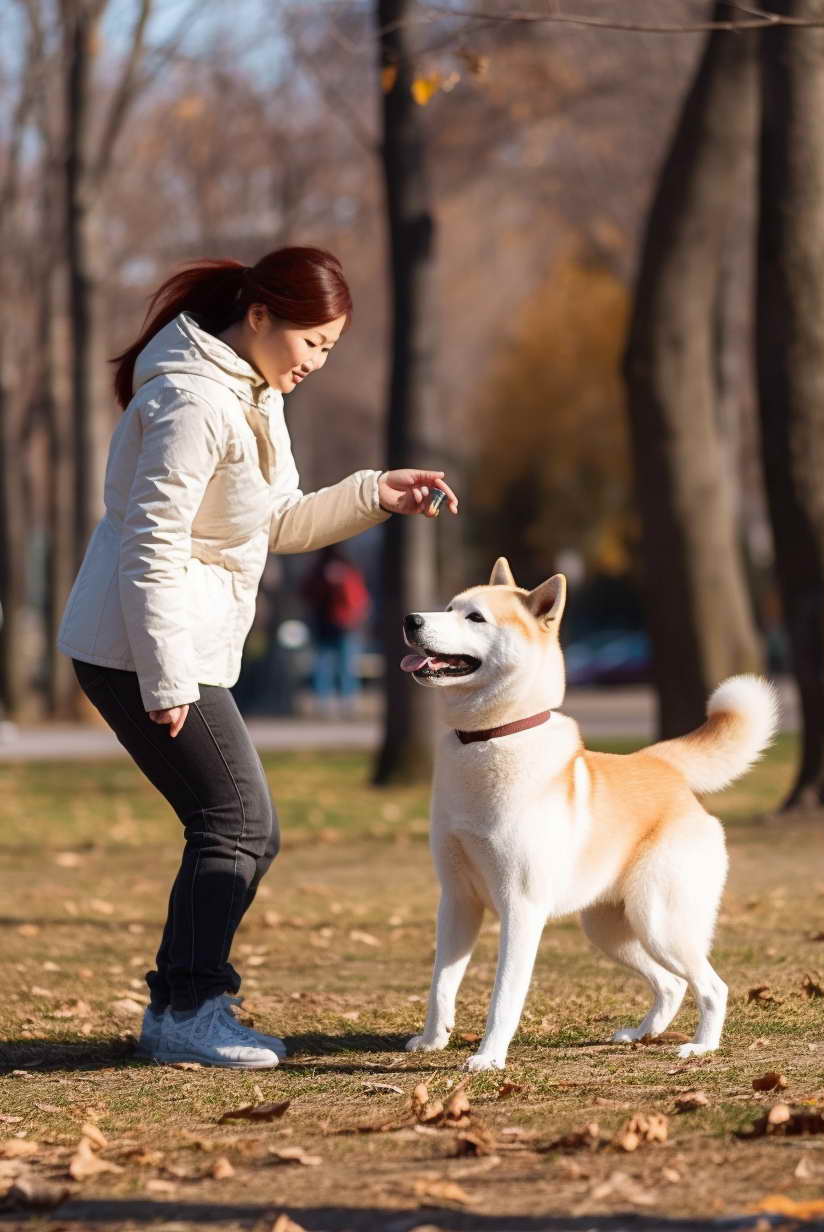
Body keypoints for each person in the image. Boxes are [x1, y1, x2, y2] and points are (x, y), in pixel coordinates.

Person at [57, 246, 458, 1069]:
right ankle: (187, 1013)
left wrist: (374, 494)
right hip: (136, 646)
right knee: (236, 824)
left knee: (240, 826)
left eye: (330, 349)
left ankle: (185, 1003)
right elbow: (152, 544)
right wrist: (167, 678)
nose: (316, 361)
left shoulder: (251, 391)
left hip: (167, 642)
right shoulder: (193, 400)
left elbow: (271, 521)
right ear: (262, 316)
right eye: (313, 342)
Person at [300, 545, 369, 717]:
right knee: (334, 665)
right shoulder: (328, 572)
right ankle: (335, 702)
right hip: (335, 625)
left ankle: (338, 702)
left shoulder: (340, 572)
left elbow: (356, 599)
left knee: (337, 665)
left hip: (338, 625)